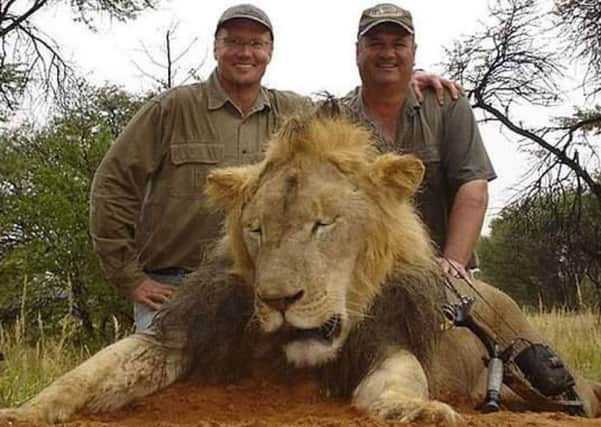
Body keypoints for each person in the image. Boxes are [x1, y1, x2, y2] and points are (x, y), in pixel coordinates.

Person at [90, 3, 462, 331]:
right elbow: (113, 185)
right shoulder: (171, 109)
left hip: (251, 283)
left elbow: (350, 133)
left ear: (270, 52)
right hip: (173, 284)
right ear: (216, 47)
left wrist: (403, 80)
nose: (245, 52)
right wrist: (130, 278)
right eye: (233, 42)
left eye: (256, 44)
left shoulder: (295, 113)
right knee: (157, 380)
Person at [342, 3, 496, 277]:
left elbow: (474, 188)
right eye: (376, 44)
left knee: (497, 317)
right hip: (361, 276)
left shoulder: (448, 104)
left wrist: (453, 265)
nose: (388, 53)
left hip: (440, 269)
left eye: (399, 44)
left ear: (413, 52)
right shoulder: (335, 117)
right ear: (357, 52)